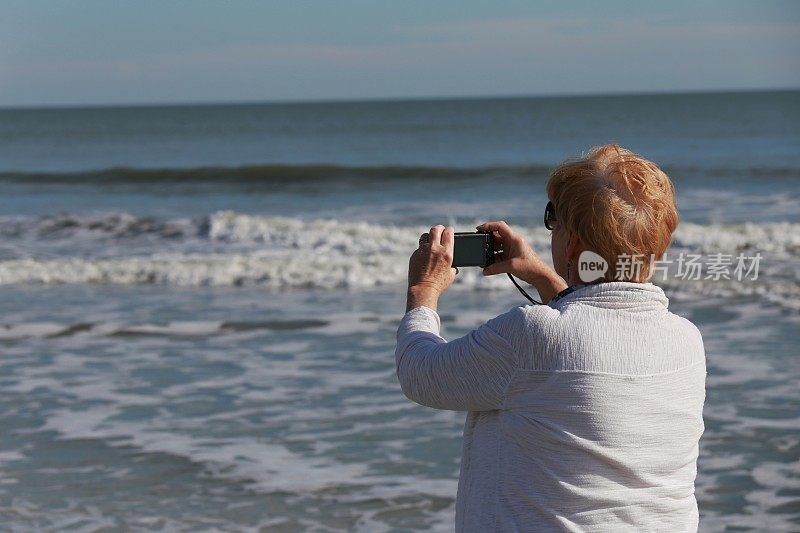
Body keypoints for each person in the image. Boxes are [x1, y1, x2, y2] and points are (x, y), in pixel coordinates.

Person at [395, 144, 707, 532]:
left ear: (572, 243)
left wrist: (424, 289)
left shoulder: (530, 336)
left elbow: (421, 374)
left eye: (553, 218)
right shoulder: (687, 341)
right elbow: (594, 336)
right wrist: (544, 277)